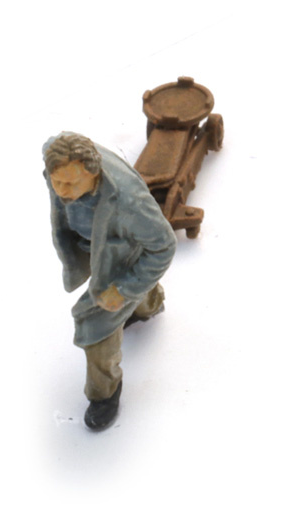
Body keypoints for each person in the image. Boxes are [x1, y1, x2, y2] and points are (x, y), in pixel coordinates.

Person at [44, 132, 177, 430]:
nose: (61, 191)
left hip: (124, 250)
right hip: (98, 244)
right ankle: (149, 302)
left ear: (93, 173)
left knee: (96, 329)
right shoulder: (54, 154)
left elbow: (164, 247)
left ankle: (104, 392)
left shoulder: (131, 203)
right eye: (56, 181)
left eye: (71, 183)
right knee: (135, 288)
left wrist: (124, 288)